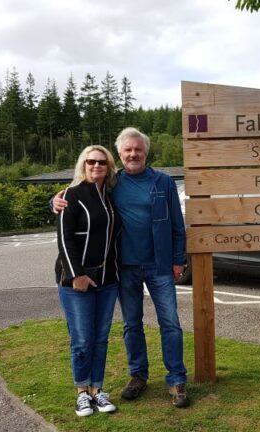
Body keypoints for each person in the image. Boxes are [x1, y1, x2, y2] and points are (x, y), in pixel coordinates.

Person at [53, 127, 190, 408]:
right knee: (132, 325)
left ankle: (176, 379)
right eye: (128, 150)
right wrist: (52, 201)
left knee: (171, 324)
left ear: (146, 152)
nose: (133, 154)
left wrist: (179, 260)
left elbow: (178, 225)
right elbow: (78, 196)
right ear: (120, 154)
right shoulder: (114, 182)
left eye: (138, 149)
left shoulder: (163, 182)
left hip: (159, 265)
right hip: (124, 267)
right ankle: (138, 375)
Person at [55, 145, 121, 417]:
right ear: (83, 165)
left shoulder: (110, 196)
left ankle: (97, 389)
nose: (96, 166)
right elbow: (64, 238)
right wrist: (76, 275)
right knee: (82, 339)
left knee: (101, 338)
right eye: (91, 161)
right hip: (77, 281)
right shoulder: (70, 195)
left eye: (102, 162)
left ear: (109, 167)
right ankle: (82, 393)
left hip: (107, 279)